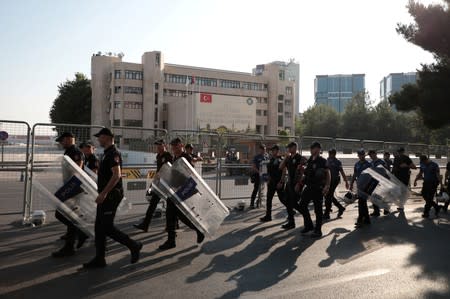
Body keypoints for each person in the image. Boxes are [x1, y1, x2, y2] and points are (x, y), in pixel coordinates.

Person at [83, 128, 142, 269]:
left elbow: (117, 175)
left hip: (110, 196)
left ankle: (134, 245)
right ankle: (99, 258)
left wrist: (103, 193)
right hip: (105, 195)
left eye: (100, 137)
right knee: (99, 227)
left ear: (107, 137)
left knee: (107, 227)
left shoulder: (113, 154)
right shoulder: (106, 153)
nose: (98, 140)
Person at [158, 137, 205, 250]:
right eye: (173, 146)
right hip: (176, 189)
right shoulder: (176, 157)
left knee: (178, 214)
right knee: (173, 214)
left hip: (183, 190)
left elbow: (189, 172)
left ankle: (195, 231)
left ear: (181, 145)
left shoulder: (185, 157)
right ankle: (172, 239)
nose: (174, 148)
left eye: (176, 145)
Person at [52, 132, 89, 258]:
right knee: (70, 216)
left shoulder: (75, 152)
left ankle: (71, 244)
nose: (61, 143)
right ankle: (77, 238)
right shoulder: (69, 152)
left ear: (68, 139)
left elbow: (77, 172)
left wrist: (67, 189)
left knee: (64, 215)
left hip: (74, 188)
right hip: (70, 188)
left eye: (62, 141)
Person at [133, 139, 173, 232]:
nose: (158, 147)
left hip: (166, 183)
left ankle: (173, 225)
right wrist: (154, 182)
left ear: (164, 145)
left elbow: (169, 169)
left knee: (171, 206)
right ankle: (145, 225)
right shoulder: (158, 156)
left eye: (160, 145)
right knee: (153, 204)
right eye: (157, 146)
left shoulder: (168, 156)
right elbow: (158, 170)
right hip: (159, 184)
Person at [299, 142, 331, 238]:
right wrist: (302, 171)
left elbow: (328, 173)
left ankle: (318, 230)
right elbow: (307, 173)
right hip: (309, 187)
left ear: (317, 149)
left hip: (318, 188)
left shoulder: (322, 161)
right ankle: (309, 225)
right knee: (302, 205)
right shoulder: (310, 160)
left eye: (313, 148)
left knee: (318, 210)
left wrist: (327, 186)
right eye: (311, 148)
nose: (311, 150)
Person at [279, 142, 305, 230]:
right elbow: (281, 167)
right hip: (289, 183)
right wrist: (285, 158)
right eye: (288, 148)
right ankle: (291, 222)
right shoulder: (289, 158)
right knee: (287, 202)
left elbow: (302, 172)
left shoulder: (299, 158)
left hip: (296, 183)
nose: (288, 149)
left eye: (290, 147)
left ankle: (305, 214)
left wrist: (298, 184)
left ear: (294, 147)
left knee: (294, 203)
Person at [260, 144, 287, 222]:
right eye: (272, 150)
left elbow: (284, 171)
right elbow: (269, 171)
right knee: (269, 199)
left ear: (277, 151)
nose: (272, 151)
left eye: (274, 150)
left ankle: (291, 210)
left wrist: (281, 182)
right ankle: (268, 216)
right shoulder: (271, 159)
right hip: (271, 182)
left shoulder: (281, 160)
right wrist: (268, 179)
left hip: (278, 182)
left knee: (282, 199)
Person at [323, 149, 348, 220]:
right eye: (329, 153)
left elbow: (342, 172)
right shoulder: (327, 160)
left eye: (331, 153)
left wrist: (346, 181)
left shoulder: (337, 162)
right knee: (329, 196)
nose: (329, 155)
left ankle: (327, 213)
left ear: (334, 154)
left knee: (328, 196)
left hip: (335, 180)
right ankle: (340, 207)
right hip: (328, 181)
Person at [350, 149, 372, 228]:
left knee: (361, 202)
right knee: (363, 203)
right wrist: (351, 183)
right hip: (359, 186)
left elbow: (373, 175)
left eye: (362, 154)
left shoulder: (368, 164)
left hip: (366, 186)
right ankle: (367, 219)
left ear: (364, 155)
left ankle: (360, 220)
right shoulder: (357, 164)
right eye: (360, 154)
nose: (361, 156)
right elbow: (355, 174)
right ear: (358, 155)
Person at [368, 150, 389, 217]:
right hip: (374, 181)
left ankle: (386, 209)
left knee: (383, 196)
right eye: (370, 155)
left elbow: (386, 171)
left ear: (375, 154)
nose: (371, 156)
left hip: (382, 181)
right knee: (373, 196)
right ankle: (376, 211)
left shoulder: (381, 162)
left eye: (372, 154)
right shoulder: (370, 163)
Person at [249, 144, 268, 209]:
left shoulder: (266, 156)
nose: (264, 151)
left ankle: (259, 202)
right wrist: (259, 172)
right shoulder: (256, 157)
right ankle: (252, 203)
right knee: (256, 189)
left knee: (262, 189)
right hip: (257, 175)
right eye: (262, 149)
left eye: (265, 149)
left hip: (264, 175)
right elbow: (254, 166)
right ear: (260, 150)